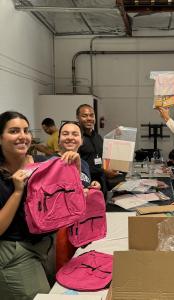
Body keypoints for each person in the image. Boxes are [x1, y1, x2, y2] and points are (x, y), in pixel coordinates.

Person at [0, 111, 81, 299]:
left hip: (45, 245)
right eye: (13, 131)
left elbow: (69, 202)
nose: (22, 136)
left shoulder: (44, 164)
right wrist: (18, 191)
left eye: (26, 130)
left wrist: (74, 169)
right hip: (14, 250)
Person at [54, 121, 101, 271]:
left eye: (75, 134)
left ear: (81, 140)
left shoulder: (84, 164)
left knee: (83, 267)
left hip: (83, 224)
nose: (70, 137)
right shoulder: (52, 163)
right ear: (59, 139)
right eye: (65, 133)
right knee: (65, 271)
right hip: (63, 230)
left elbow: (82, 185)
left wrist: (92, 185)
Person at [76, 104, 117, 198]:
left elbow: (103, 158)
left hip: (102, 183)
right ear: (78, 117)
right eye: (84, 116)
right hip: (87, 186)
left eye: (91, 115)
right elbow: (76, 166)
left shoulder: (97, 137)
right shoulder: (76, 138)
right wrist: (104, 170)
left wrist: (110, 167)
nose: (89, 118)